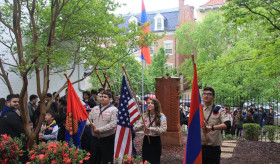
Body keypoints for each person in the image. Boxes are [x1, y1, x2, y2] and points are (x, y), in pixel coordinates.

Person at [201, 87, 231, 164]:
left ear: (213, 97)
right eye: (204, 94)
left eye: (209, 94)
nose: (206, 96)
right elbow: (188, 122)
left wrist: (212, 128)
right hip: (199, 148)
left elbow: (228, 124)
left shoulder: (219, 110)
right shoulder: (198, 110)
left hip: (213, 148)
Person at [87, 91, 117, 164]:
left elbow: (113, 124)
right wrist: (90, 124)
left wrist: (99, 130)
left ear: (110, 99)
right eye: (101, 96)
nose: (102, 98)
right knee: (94, 159)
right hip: (95, 139)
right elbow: (88, 119)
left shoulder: (114, 110)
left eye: (105, 97)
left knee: (107, 159)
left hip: (107, 139)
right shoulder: (95, 108)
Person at [134, 98, 167, 164]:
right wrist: (142, 125)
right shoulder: (145, 115)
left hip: (155, 140)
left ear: (156, 105)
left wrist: (151, 129)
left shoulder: (161, 116)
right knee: (145, 159)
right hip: (146, 139)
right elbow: (135, 128)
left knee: (155, 160)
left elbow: (163, 129)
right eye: (148, 103)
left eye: (152, 103)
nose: (149, 105)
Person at [0, 94, 28, 163]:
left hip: (5, 144)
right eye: (14, 102)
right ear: (7, 102)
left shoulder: (3, 112)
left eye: (18, 102)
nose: (17, 103)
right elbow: (20, 130)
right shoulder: (11, 115)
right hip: (13, 145)